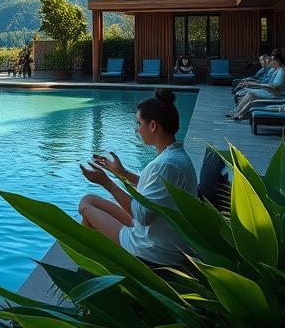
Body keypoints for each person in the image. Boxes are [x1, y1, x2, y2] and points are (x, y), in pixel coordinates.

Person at [77, 88, 197, 266]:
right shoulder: (174, 157)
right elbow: (154, 191)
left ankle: (88, 263)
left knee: (85, 205)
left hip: (153, 251)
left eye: (139, 124)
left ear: (153, 126)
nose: (137, 130)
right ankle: (90, 262)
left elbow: (142, 215)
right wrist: (122, 173)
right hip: (157, 235)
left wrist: (108, 183)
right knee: (91, 199)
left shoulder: (165, 165)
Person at [229, 51, 285, 120]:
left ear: (278, 61)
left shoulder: (281, 72)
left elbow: (275, 87)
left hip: (275, 95)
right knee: (250, 94)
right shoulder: (277, 69)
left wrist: (259, 85)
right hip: (270, 91)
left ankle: (238, 114)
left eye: (272, 60)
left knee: (252, 95)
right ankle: (237, 112)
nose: (271, 62)